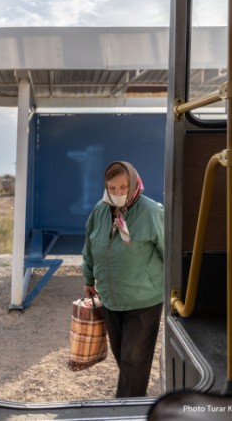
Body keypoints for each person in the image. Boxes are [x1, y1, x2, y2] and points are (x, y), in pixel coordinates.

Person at [82, 160, 164, 398]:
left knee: (132, 359)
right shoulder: (100, 210)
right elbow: (90, 245)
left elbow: (169, 251)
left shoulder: (151, 212)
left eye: (123, 187)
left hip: (144, 299)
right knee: (124, 358)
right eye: (112, 188)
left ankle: (126, 409)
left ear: (134, 183)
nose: (118, 193)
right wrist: (89, 278)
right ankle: (134, 399)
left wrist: (175, 288)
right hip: (111, 298)